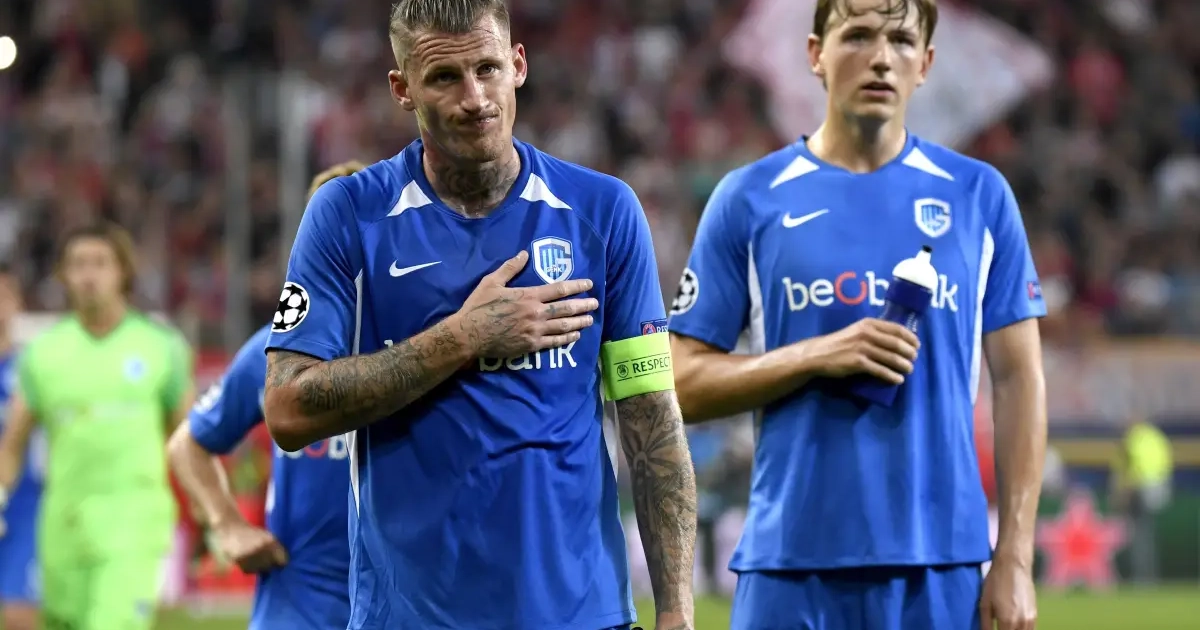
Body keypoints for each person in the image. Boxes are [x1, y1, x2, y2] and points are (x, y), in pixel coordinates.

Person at [261, 1, 698, 628]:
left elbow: (651, 417)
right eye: (444, 77)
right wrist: (463, 337)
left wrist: (676, 610)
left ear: (518, 64)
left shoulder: (604, 212)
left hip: (583, 615)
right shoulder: (347, 214)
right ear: (402, 89)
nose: (474, 98)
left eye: (487, 69)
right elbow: (287, 409)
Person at [667, 0, 1047, 629]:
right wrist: (816, 355)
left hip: (942, 568)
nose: (880, 58)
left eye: (901, 40)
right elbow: (677, 382)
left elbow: (1019, 380)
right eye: (859, 36)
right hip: (789, 565)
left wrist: (1015, 557)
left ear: (925, 64)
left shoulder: (978, 196)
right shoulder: (749, 198)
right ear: (815, 54)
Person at [166, 161, 366, 629]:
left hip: (400, 604)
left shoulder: (422, 348)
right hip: (296, 607)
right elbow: (187, 445)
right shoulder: (274, 352)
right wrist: (227, 525)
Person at [0, 223, 195, 630]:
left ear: (123, 271)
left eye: (100, 263)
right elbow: (13, 445)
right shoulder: (42, 354)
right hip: (64, 526)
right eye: (78, 264)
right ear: (63, 276)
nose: (89, 275)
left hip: (133, 522)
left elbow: (190, 441)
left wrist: (212, 515)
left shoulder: (161, 347)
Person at [0, 268, 42, 630]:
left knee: (18, 617)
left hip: (23, 505)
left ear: (17, 305)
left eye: (4, 296)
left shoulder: (32, 369)